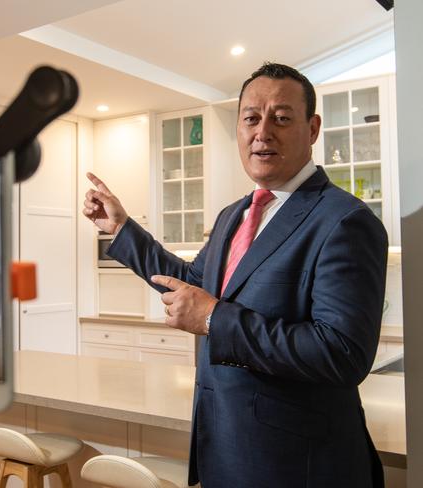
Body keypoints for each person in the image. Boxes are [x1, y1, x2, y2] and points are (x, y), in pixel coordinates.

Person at [83, 63, 388, 488]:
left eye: (281, 117)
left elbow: (340, 353)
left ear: (313, 128)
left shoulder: (344, 221)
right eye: (251, 118)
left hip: (297, 465)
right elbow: (191, 282)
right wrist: (121, 229)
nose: (262, 131)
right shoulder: (235, 215)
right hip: (225, 447)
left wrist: (213, 319)